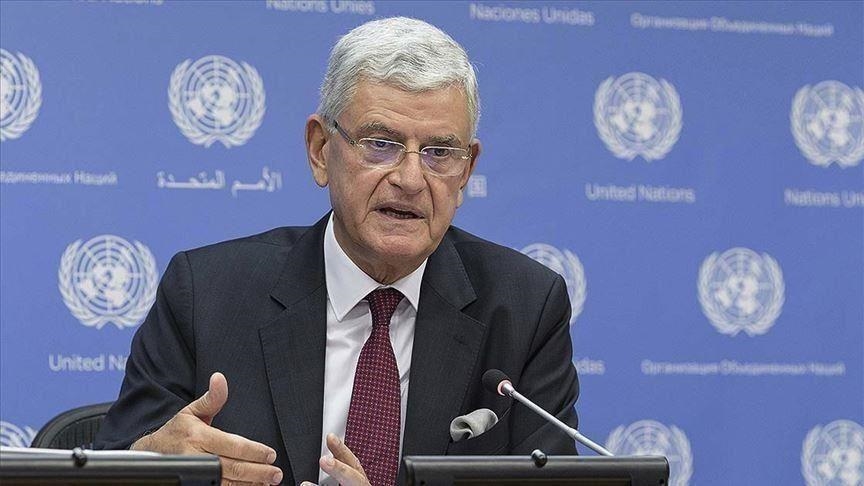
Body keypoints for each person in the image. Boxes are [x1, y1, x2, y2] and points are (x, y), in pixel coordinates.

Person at [95, 17, 579, 486]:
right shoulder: (205, 295)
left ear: (467, 170)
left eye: (439, 152)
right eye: (381, 144)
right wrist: (148, 462)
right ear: (320, 150)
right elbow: (111, 468)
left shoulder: (525, 310)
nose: (411, 179)